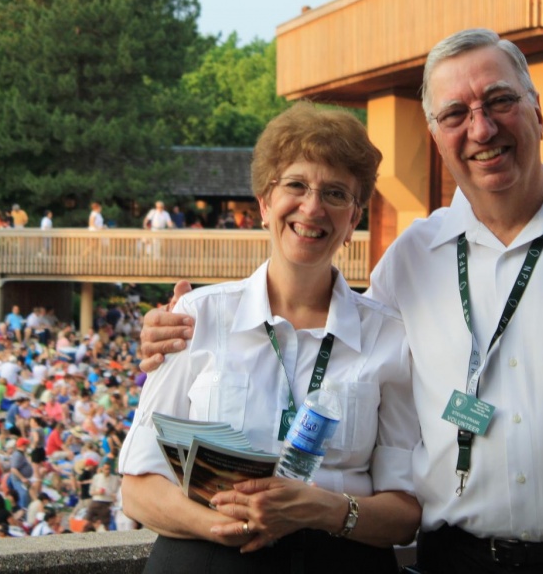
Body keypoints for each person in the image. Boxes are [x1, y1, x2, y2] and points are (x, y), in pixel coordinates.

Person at [140, 28, 543, 574]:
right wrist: (167, 333)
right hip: (460, 562)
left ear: (537, 110)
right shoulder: (410, 261)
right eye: (456, 113)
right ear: (436, 137)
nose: (481, 128)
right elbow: (325, 331)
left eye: (499, 101)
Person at [120, 102, 420, 573]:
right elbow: (137, 486)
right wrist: (228, 527)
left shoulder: (390, 338)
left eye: (336, 193)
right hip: (206, 559)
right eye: (296, 185)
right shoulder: (196, 317)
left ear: (354, 219)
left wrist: (320, 509)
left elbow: (405, 514)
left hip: (337, 560)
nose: (313, 207)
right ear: (264, 203)